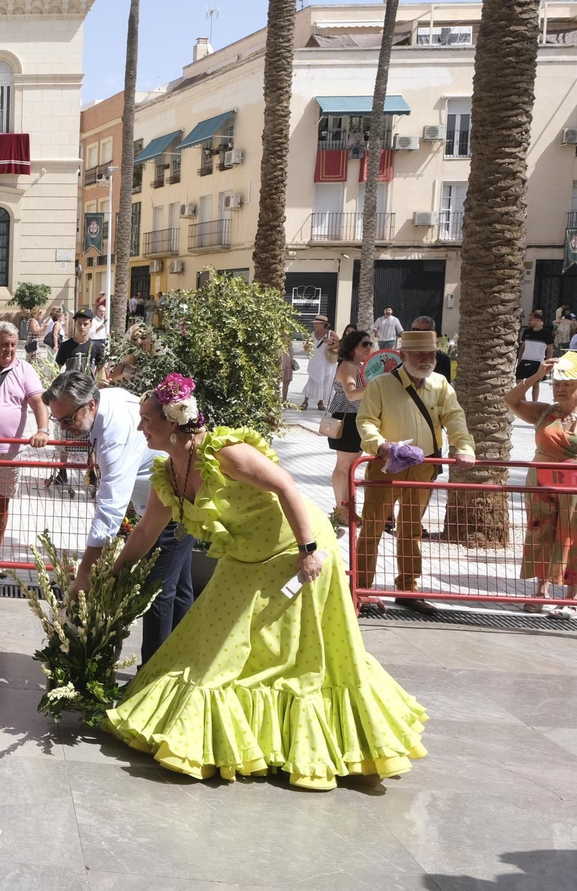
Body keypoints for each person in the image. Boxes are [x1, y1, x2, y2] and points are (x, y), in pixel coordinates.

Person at [103, 372, 427, 791]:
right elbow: (146, 532)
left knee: (299, 659)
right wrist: (113, 573)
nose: (141, 426)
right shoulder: (169, 474)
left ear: (173, 420)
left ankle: (304, 744)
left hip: (295, 548)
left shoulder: (227, 454)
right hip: (243, 556)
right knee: (214, 649)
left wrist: (309, 552)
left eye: (147, 419)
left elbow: (288, 487)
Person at [44, 371, 195, 663]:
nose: (64, 429)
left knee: (156, 594)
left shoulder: (116, 432)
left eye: (67, 420)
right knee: (177, 591)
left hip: (171, 512)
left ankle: (151, 677)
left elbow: (111, 507)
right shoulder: (103, 401)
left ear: (90, 405)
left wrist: (86, 571)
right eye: (57, 421)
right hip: (161, 505)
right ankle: (178, 667)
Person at [355, 330, 477, 615]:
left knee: (411, 531)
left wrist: (464, 447)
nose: (427, 359)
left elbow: (454, 417)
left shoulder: (440, 384)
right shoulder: (382, 385)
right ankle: (361, 589)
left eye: (432, 354)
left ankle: (408, 589)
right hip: (386, 468)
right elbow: (366, 422)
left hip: (423, 469)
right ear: (404, 355)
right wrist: (381, 446)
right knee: (372, 529)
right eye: (421, 354)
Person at [508, 354, 577, 618]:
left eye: (568, 383)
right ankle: (540, 592)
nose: (560, 388)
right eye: (557, 382)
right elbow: (511, 401)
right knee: (540, 533)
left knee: (572, 536)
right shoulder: (544, 411)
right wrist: (536, 377)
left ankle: (571, 598)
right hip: (541, 481)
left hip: (574, 483)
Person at [0, 322, 49, 560]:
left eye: (14, 345)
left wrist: (43, 430)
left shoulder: (24, 369)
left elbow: (38, 401)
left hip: (11, 454)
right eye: (4, 344)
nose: (9, 350)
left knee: (1, 503)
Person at [327, 330, 375, 531]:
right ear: (353, 347)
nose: (369, 347)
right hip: (346, 419)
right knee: (344, 466)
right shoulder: (347, 366)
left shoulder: (359, 366)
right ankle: (341, 509)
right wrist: (376, 384)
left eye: (370, 343)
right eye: (364, 344)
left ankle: (347, 509)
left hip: (356, 419)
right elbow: (352, 394)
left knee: (352, 465)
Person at [518, 310, 555, 403]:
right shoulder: (527, 332)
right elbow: (523, 346)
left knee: (536, 384)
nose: (529, 321)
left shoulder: (546, 333)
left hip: (538, 361)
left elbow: (550, 348)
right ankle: (524, 401)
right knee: (519, 382)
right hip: (525, 359)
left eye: (531, 319)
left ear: (538, 320)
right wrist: (519, 359)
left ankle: (534, 403)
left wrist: (549, 361)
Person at [301, 314, 336, 411]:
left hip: (326, 362)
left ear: (323, 324)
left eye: (317, 323)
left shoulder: (330, 333)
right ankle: (305, 401)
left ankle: (320, 402)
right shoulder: (312, 334)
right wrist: (306, 346)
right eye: (314, 323)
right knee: (311, 380)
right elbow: (306, 346)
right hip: (315, 360)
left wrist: (331, 342)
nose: (315, 325)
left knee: (325, 381)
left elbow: (341, 343)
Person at [55, 310, 104, 374]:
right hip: (71, 383)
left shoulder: (96, 346)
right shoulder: (65, 346)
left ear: (91, 325)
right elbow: (55, 370)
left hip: (88, 384)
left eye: (85, 324)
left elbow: (102, 372)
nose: (82, 327)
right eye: (79, 324)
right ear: (75, 323)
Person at [413, 315, 451, 384]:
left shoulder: (442, 359)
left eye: (425, 331)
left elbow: (444, 385)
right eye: (416, 330)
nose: (420, 333)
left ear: (433, 332)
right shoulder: (405, 355)